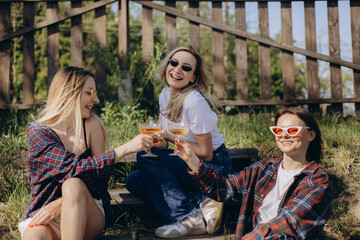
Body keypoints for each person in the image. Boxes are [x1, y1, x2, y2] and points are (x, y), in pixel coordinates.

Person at [18, 66, 154, 240]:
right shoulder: (39, 132)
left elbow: (99, 182)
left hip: (89, 211)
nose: (96, 100)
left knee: (72, 185)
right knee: (33, 237)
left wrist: (62, 203)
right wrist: (125, 148)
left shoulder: (90, 125)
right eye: (89, 93)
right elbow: (72, 168)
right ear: (69, 93)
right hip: (46, 214)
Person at [175, 107, 333, 239]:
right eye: (279, 130)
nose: (284, 135)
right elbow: (223, 188)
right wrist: (192, 160)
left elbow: (289, 223)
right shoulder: (262, 170)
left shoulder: (316, 180)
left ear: (311, 135)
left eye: (292, 130)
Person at [125, 46, 233, 238]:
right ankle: (202, 199)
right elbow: (166, 139)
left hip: (212, 165)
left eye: (185, 67)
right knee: (133, 181)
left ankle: (186, 216)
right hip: (184, 160)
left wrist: (170, 138)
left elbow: (206, 152)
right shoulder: (165, 94)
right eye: (173, 63)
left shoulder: (194, 102)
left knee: (145, 157)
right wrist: (160, 143)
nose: (177, 70)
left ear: (193, 77)